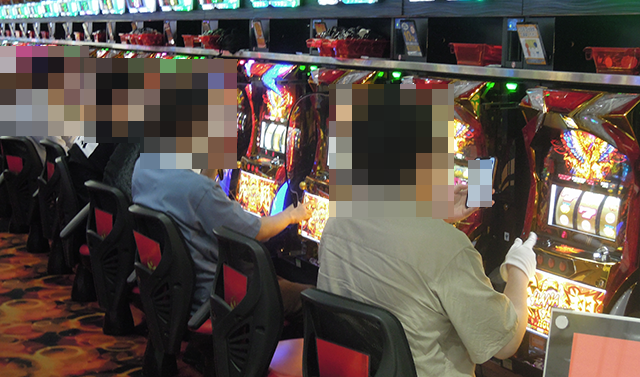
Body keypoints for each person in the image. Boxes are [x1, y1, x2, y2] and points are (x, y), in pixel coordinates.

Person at [316, 84, 536, 377]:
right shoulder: (449, 249)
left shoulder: (337, 220)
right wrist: (519, 271)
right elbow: (505, 345)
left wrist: (432, 214)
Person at [131, 161, 313, 317]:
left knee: (274, 278)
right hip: (214, 294)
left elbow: (200, 198)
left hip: (166, 285)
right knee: (310, 297)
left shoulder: (143, 167)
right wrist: (290, 215)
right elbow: (258, 231)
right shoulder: (199, 190)